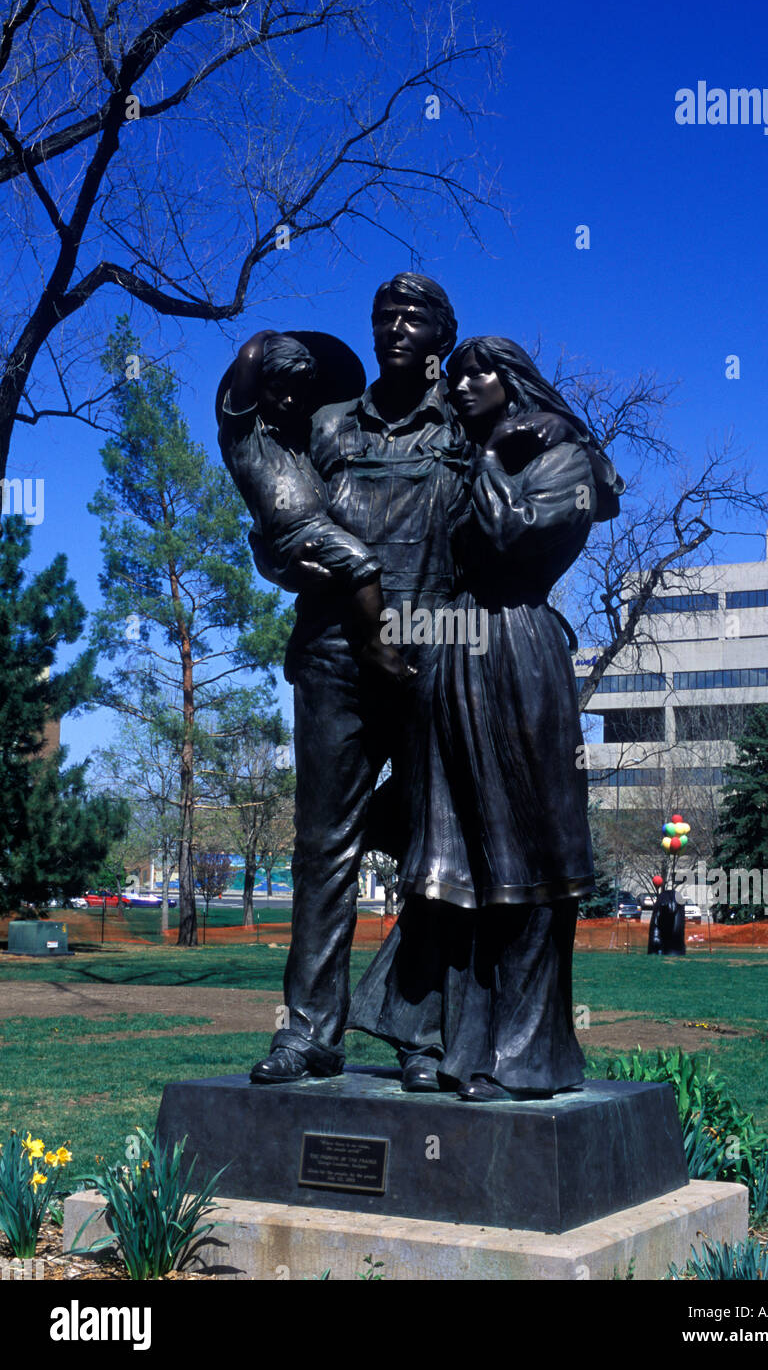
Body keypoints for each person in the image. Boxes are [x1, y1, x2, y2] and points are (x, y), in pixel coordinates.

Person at [348, 337, 623, 1100]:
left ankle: (522, 1057)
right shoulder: (463, 454)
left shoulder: (561, 461)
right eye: (458, 369)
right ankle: (444, 1043)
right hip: (451, 650)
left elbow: (511, 540)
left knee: (527, 858)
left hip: (516, 651)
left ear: (516, 381)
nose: (462, 381)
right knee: (453, 857)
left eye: (481, 370)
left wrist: (496, 459)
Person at [231, 274, 470, 1086]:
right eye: (383, 317)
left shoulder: (463, 429)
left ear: (442, 332)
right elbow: (281, 515)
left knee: (438, 849)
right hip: (333, 652)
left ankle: (424, 1036)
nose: (395, 328)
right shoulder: (329, 425)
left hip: (433, 649)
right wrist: (269, 555)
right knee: (320, 849)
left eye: (412, 318)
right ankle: (308, 1033)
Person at [218, 329, 414, 683]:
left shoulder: (307, 442)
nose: (292, 401)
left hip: (414, 620)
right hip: (321, 612)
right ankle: (374, 644)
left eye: (300, 393)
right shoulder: (247, 439)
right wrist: (266, 337)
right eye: (280, 390)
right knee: (362, 562)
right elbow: (263, 535)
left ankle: (364, 643)